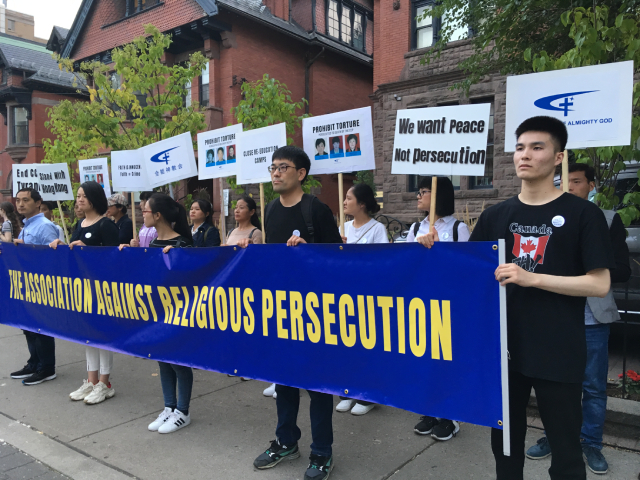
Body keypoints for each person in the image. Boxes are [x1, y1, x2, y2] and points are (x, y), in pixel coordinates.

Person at [466, 116, 613, 480]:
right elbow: (468, 276)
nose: (525, 155)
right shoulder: (496, 215)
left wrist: (532, 278)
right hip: (505, 353)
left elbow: (599, 284)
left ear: (558, 157)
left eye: (537, 147)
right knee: (505, 451)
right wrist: (432, 249)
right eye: (519, 148)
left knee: (565, 453)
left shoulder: (584, 214)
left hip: (559, 351)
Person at [237, 146, 341, 480]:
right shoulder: (269, 209)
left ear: (302, 173)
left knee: (318, 386)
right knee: (283, 382)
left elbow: (339, 258)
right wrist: (253, 252)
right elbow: (272, 259)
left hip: (316, 312)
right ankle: (286, 441)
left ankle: (322, 452)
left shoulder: (317, 210)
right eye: (273, 167)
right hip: (281, 310)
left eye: (283, 167)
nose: (276, 173)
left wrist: (311, 253)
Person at [525, 163, 631, 474]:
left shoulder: (607, 220)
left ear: (592, 185)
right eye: (564, 181)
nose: (570, 186)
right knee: (552, 384)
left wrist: (591, 261)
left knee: (594, 386)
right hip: (554, 316)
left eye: (577, 181)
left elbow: (622, 270)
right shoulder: (548, 217)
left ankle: (591, 443)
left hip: (592, 319)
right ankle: (554, 437)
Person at [405, 176, 470, 440]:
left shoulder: (458, 229)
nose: (418, 196)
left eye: (424, 192)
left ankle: (450, 417)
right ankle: (430, 410)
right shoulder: (415, 227)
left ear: (439, 195)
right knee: (425, 360)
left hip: (449, 306)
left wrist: (438, 250)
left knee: (448, 361)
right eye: (419, 191)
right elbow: (406, 262)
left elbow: (465, 267)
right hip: (421, 303)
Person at [50, 181, 120, 405]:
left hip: (103, 289)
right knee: (87, 334)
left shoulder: (106, 225)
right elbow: (74, 252)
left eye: (84, 196)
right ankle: (90, 380)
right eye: (78, 196)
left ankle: (104, 383)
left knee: (102, 336)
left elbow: (113, 258)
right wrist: (61, 245)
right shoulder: (80, 224)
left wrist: (89, 251)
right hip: (83, 289)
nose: (79, 200)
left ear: (95, 198)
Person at [135, 193, 194, 434]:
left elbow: (193, 278)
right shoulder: (152, 244)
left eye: (146, 211)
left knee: (179, 362)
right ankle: (169, 407)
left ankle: (183, 410)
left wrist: (178, 260)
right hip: (158, 311)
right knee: (162, 359)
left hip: (179, 314)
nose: (142, 214)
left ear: (158, 215)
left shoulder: (183, 244)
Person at [334, 183, 388, 416]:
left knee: (367, 345)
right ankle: (347, 391)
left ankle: (368, 395)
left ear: (362, 203)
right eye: (344, 198)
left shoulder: (377, 229)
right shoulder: (342, 227)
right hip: (344, 295)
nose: (345, 202)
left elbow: (384, 263)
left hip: (368, 296)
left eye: (349, 198)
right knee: (345, 344)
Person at [9, 188, 59, 386]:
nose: (20, 204)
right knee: (28, 326)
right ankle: (34, 361)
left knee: (40, 328)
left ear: (38, 203)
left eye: (26, 200)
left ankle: (46, 368)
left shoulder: (44, 226)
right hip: (27, 285)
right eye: (18, 200)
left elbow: (52, 256)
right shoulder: (27, 225)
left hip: (41, 286)